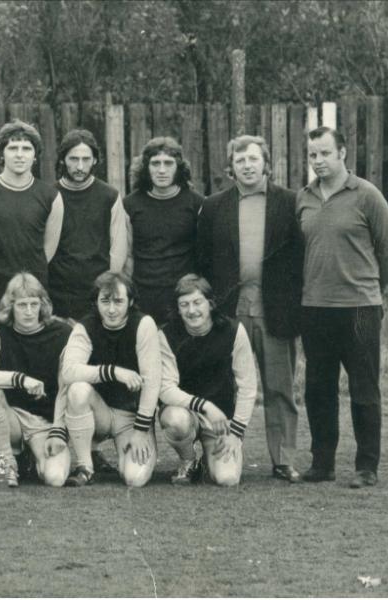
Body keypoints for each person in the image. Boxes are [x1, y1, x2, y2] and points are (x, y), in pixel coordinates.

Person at [196, 135, 304, 483]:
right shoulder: (214, 206)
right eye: (240, 160)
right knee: (223, 385)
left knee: (278, 387)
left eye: (253, 159)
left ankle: (283, 459)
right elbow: (203, 261)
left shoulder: (290, 202)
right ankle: (218, 453)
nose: (247, 165)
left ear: (266, 163)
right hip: (230, 310)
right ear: (231, 167)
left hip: (275, 310)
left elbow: (301, 257)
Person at [297, 127, 388, 488]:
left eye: (325, 153)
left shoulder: (367, 195)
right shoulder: (304, 198)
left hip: (359, 309)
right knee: (318, 387)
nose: (318, 161)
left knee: (364, 387)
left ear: (342, 154)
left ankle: (366, 466)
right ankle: (322, 463)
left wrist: (369, 289)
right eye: (313, 155)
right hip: (315, 308)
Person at [59, 271, 160, 487]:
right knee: (77, 389)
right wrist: (113, 372)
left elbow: (152, 383)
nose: (112, 309)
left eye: (118, 301)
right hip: (100, 412)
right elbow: (68, 371)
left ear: (131, 301)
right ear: (96, 302)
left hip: (131, 417)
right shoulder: (85, 326)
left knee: (134, 478)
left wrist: (142, 431)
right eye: (105, 301)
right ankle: (85, 466)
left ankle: (119, 450)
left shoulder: (143, 324)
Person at [157, 274, 257, 486]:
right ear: (178, 308)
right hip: (187, 412)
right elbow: (165, 388)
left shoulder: (233, 331)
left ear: (210, 304)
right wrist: (204, 406)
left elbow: (248, 386)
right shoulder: (167, 334)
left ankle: (207, 462)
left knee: (226, 479)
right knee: (175, 420)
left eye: (197, 302)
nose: (191, 311)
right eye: (184, 305)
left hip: (220, 420)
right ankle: (188, 460)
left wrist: (236, 434)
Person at [0, 272, 72, 487]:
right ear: (10, 306)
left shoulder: (63, 333)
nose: (29, 311)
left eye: (34, 304)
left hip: (44, 421)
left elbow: (67, 387)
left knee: (54, 478)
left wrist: (58, 430)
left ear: (42, 304)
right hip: (9, 417)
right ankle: (7, 462)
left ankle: (29, 457)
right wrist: (20, 379)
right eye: (21, 305)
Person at [0, 120, 63, 325]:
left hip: (32, 292)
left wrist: (26, 281)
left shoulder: (50, 196)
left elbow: (48, 249)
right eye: (13, 148)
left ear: (35, 155)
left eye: (26, 148)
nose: (20, 154)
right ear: (1, 154)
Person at [119, 137, 203, 324]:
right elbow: (127, 255)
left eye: (168, 163)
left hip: (184, 297)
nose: (162, 170)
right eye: (155, 163)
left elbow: (203, 255)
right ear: (146, 168)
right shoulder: (130, 205)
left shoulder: (196, 203)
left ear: (179, 167)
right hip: (143, 296)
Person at [48, 129, 127, 321]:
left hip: (96, 290)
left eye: (86, 159)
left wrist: (107, 287)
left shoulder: (109, 196)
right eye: (73, 159)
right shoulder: (48, 195)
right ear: (62, 160)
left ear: (95, 160)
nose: (80, 166)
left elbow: (118, 248)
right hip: (58, 291)